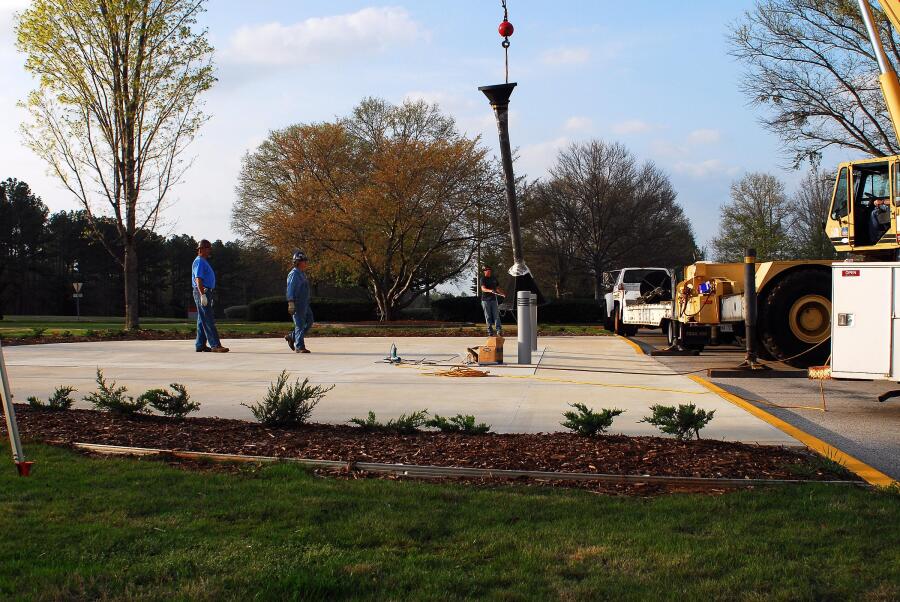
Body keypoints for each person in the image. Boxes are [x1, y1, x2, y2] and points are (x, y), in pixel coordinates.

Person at [192, 239, 228, 353]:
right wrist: (203, 295)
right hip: (202, 291)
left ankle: (200, 345)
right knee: (208, 319)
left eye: (209, 248)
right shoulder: (200, 261)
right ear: (200, 249)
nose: (208, 250)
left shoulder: (203, 261)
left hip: (206, 291)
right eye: (206, 248)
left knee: (201, 319)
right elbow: (198, 279)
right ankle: (215, 345)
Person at [285, 250, 314, 353]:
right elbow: (290, 289)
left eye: (305, 260)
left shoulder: (302, 274)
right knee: (300, 324)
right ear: (297, 262)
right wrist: (291, 302)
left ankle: (291, 336)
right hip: (297, 303)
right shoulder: (294, 274)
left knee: (310, 321)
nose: (305, 263)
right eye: (303, 261)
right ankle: (299, 346)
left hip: (305, 303)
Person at [480, 265, 505, 336]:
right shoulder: (483, 279)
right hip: (485, 301)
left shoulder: (494, 278)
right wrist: (490, 290)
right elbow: (483, 289)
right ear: (484, 271)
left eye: (490, 269)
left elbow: (497, 288)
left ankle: (499, 331)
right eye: (487, 270)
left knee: (496, 315)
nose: (489, 271)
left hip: (494, 300)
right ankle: (490, 332)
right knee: (488, 316)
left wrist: (503, 294)